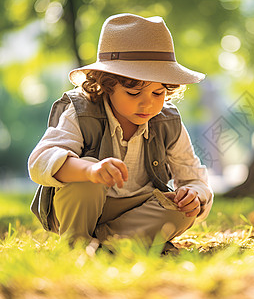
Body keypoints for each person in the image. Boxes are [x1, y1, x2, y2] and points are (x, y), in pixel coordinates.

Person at [28, 13, 213, 249]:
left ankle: (105, 246)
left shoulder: (167, 121)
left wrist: (194, 195)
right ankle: (79, 242)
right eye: (134, 93)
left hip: (139, 211)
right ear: (106, 84)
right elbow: (39, 161)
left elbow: (195, 179)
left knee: (181, 210)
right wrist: (90, 170)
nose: (147, 104)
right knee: (86, 184)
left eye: (158, 93)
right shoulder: (81, 112)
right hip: (84, 207)